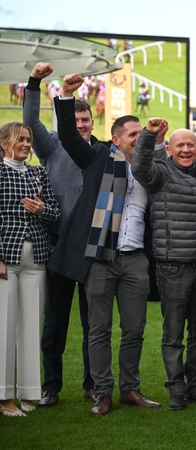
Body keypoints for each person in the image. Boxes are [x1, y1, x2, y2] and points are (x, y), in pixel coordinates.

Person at [50, 73, 161, 415]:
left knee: (135, 330)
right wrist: (65, 94)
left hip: (136, 259)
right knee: (98, 330)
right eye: (133, 134)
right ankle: (102, 392)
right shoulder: (97, 157)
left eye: (141, 134)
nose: (138, 138)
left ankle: (129, 389)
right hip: (100, 258)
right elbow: (69, 136)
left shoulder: (150, 169)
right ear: (116, 139)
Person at [131, 119, 196, 411]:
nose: (185, 150)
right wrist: (149, 134)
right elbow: (139, 167)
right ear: (168, 149)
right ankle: (176, 388)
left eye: (190, 145)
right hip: (172, 267)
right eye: (179, 145)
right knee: (173, 335)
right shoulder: (159, 173)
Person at [22, 62, 93, 407]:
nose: (80, 125)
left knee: (95, 324)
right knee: (55, 322)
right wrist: (35, 84)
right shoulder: (51, 146)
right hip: (57, 245)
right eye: (75, 120)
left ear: (92, 122)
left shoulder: (102, 151)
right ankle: (51, 386)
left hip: (92, 249)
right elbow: (30, 122)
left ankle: (93, 384)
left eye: (85, 120)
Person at [0, 122, 60, 417]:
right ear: (4, 143)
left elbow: (55, 212)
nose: (26, 144)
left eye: (28, 139)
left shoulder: (39, 173)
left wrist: (42, 210)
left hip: (36, 259)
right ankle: (3, 397)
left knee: (31, 326)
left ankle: (28, 393)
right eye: (20, 139)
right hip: (6, 259)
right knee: (4, 327)